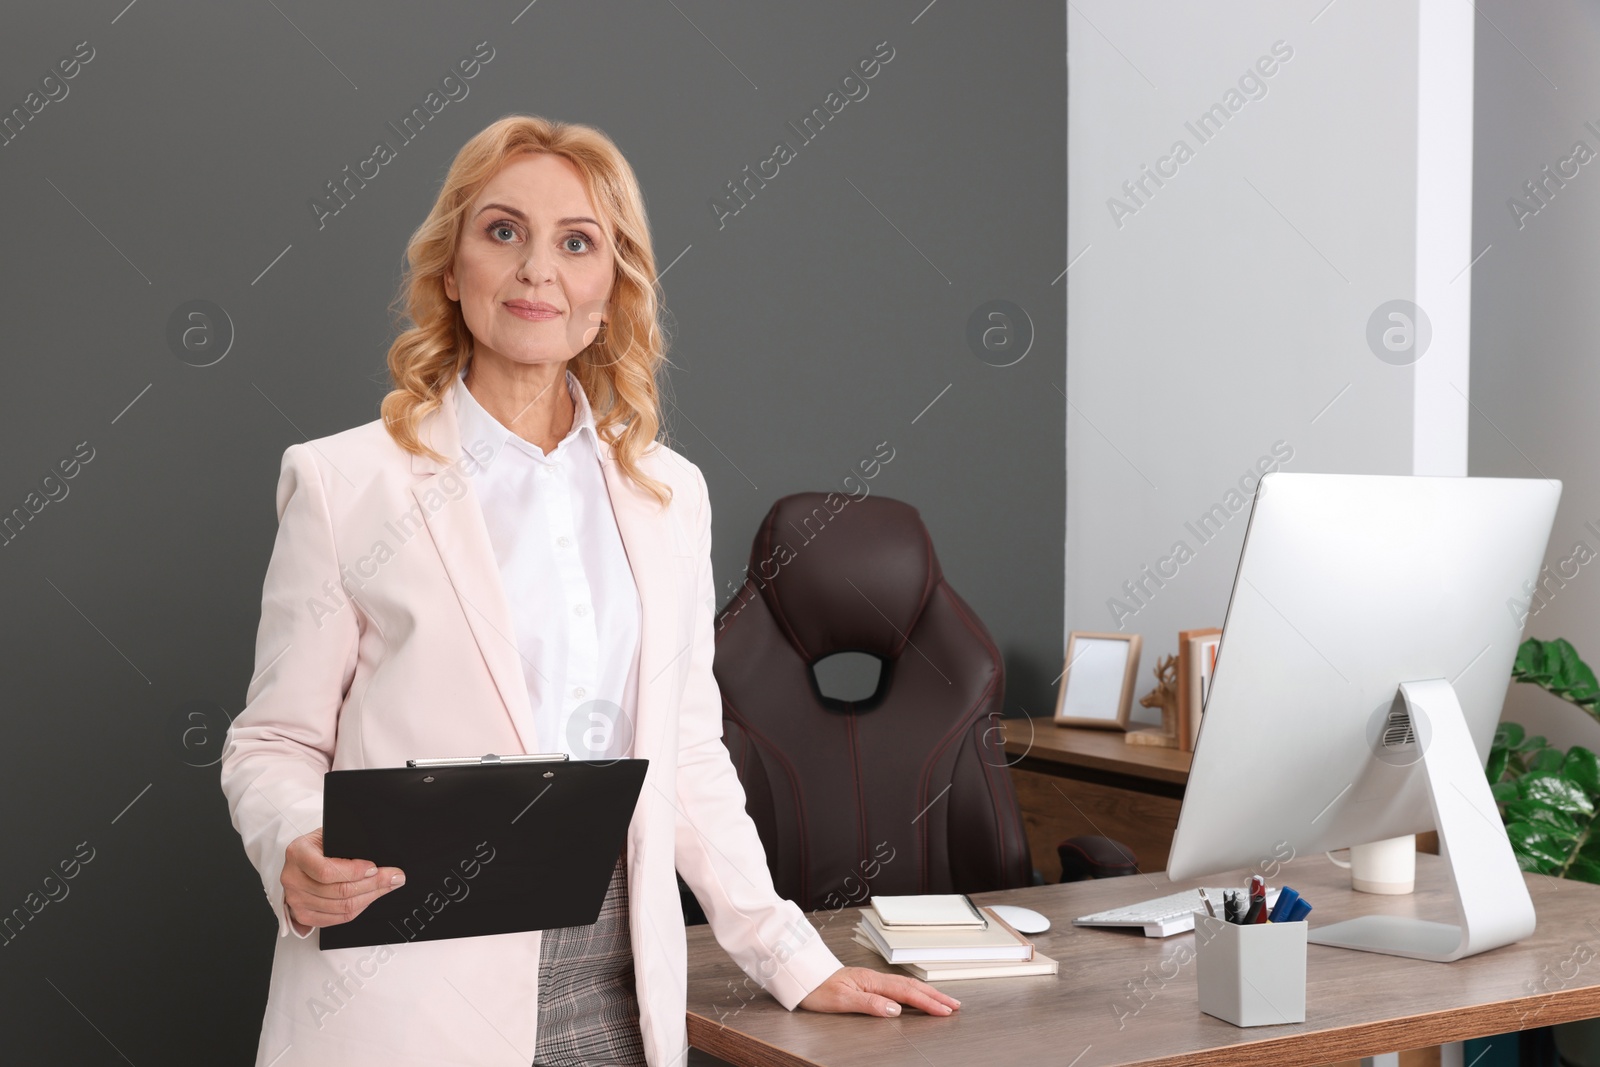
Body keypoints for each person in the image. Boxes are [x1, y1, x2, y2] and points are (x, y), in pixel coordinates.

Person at [218, 114, 959, 1067]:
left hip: (617, 973)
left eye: (578, 242)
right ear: (452, 268)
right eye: (502, 231)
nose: (538, 269)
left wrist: (791, 956)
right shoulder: (344, 483)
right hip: (407, 982)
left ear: (610, 291)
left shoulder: (667, 493)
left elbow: (688, 758)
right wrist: (294, 842)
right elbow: (274, 738)